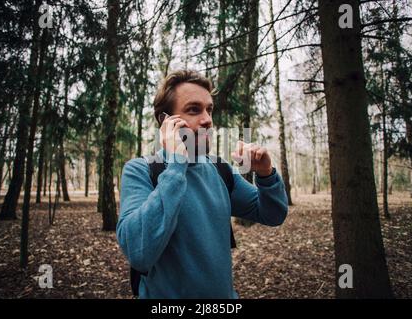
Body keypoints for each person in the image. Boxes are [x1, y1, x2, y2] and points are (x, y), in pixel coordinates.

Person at [116, 69, 288, 298]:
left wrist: (266, 175)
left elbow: (273, 214)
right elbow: (139, 251)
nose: (207, 120)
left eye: (209, 109)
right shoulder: (140, 171)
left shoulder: (220, 169)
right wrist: (177, 164)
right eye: (194, 110)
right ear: (165, 121)